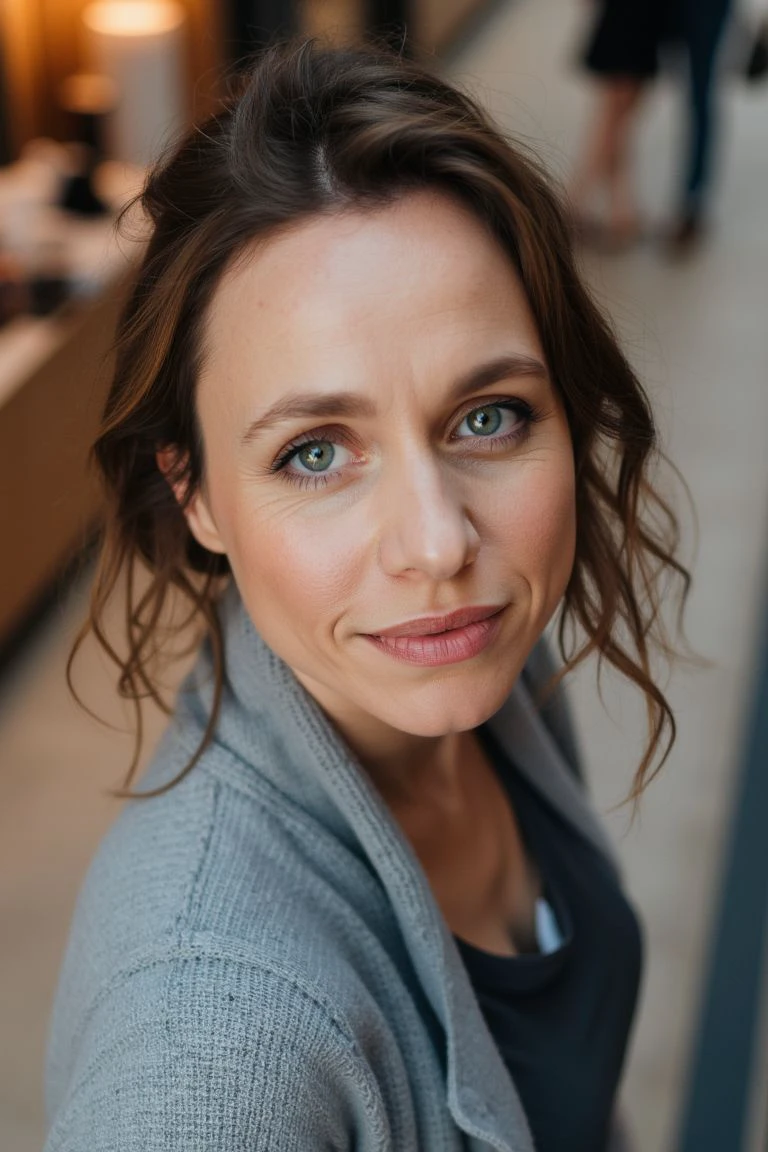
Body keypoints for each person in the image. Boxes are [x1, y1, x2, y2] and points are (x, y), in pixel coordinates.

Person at [44, 37, 689, 1152]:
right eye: (314, 453)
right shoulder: (206, 1052)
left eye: (488, 417)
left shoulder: (479, 661)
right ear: (194, 496)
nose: (440, 544)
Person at [570, 0, 673, 246]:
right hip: (632, 22)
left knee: (618, 121)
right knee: (615, 120)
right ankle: (576, 202)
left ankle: (619, 209)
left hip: (633, 20)